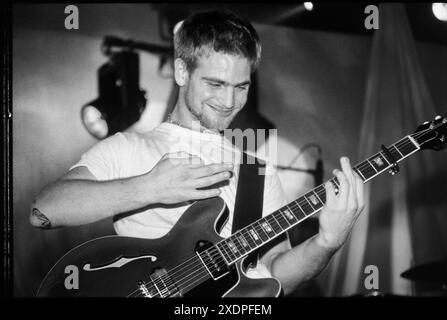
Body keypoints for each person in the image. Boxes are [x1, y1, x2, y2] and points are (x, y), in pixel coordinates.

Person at [30, 10, 365, 296]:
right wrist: (147, 187)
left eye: (241, 86)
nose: (229, 101)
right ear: (181, 72)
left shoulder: (257, 171)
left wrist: (327, 242)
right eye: (216, 84)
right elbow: (44, 210)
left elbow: (274, 274)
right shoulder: (129, 147)